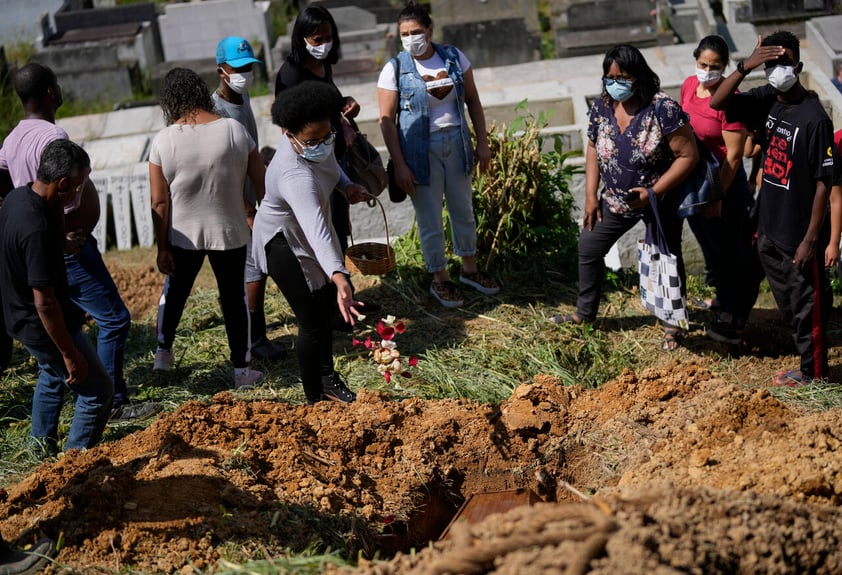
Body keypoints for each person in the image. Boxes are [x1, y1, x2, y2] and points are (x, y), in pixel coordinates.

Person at [0, 63, 157, 423]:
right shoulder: (53, 134)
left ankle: (51, 430)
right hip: (67, 249)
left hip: (49, 245)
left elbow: (6, 177)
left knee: (66, 338)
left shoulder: (12, 137)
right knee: (114, 319)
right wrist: (58, 233)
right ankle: (112, 400)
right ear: (51, 92)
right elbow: (62, 194)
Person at [710, 31, 842, 385]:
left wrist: (812, 238)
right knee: (788, 301)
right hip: (768, 224)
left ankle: (815, 373)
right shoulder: (767, 98)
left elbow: (822, 183)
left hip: (798, 231)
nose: (777, 70)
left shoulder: (815, 119)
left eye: (784, 63)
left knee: (806, 305)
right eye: (771, 63)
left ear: (798, 66)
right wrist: (744, 66)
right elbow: (717, 103)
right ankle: (804, 362)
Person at [551, 44, 698, 351]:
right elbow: (592, 146)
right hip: (615, 199)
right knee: (589, 246)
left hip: (658, 198)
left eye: (623, 77)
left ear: (639, 76)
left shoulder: (662, 108)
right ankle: (585, 314)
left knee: (666, 257)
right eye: (610, 77)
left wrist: (654, 192)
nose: (616, 83)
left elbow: (688, 155)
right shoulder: (604, 104)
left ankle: (673, 324)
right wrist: (591, 196)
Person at [377, 1, 500, 308]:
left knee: (463, 210)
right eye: (404, 33)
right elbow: (387, 121)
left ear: (430, 30)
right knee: (430, 218)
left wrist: (482, 142)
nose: (410, 38)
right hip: (420, 151)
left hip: (456, 144)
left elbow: (472, 100)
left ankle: (469, 268)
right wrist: (401, 165)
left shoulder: (454, 57)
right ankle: (440, 277)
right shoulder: (395, 68)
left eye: (416, 31)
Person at [149, 67, 265, 390]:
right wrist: (259, 216)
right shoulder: (234, 131)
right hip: (229, 232)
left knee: (174, 294)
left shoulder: (163, 141)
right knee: (233, 298)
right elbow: (261, 181)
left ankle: (163, 354)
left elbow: (159, 203)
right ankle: (242, 370)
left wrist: (162, 247)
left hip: (183, 235)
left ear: (170, 101)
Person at [253, 81, 368, 404]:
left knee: (322, 310)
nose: (321, 144)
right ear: (289, 135)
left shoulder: (320, 140)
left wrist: (346, 187)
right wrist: (339, 275)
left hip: (306, 236)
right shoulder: (294, 175)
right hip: (283, 244)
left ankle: (327, 379)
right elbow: (316, 229)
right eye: (312, 140)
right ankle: (314, 397)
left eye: (326, 136)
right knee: (311, 322)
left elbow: (329, 166)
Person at [0, 139, 114, 456]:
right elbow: (45, 302)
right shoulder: (34, 226)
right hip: (42, 323)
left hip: (19, 317)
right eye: (77, 187)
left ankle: (40, 449)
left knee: (51, 375)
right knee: (97, 390)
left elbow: (28, 246)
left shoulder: (17, 198)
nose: (78, 193)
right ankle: (73, 462)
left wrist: (61, 243)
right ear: (62, 183)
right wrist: (68, 351)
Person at [274, 5, 379, 328]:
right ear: (302, 38)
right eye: (317, 38)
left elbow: (328, 106)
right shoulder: (291, 74)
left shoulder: (322, 66)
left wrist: (345, 107)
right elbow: (290, 122)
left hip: (332, 157)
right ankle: (330, 304)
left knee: (337, 230)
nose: (324, 44)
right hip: (310, 162)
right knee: (320, 232)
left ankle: (345, 296)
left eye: (329, 37)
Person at [679, 35, 763, 344]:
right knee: (709, 247)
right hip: (696, 182)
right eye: (703, 64)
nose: (708, 71)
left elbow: (734, 156)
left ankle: (732, 312)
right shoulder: (689, 85)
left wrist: (717, 197)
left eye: (715, 67)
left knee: (727, 250)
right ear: (695, 62)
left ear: (725, 67)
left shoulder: (731, 100)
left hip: (723, 186)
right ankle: (722, 298)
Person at [213, 36, 285, 362]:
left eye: (248, 68)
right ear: (221, 71)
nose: (245, 74)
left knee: (254, 270)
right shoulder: (217, 111)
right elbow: (223, 166)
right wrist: (246, 210)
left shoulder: (243, 99)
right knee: (253, 270)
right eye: (238, 68)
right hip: (233, 206)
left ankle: (253, 336)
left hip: (248, 200)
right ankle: (254, 339)